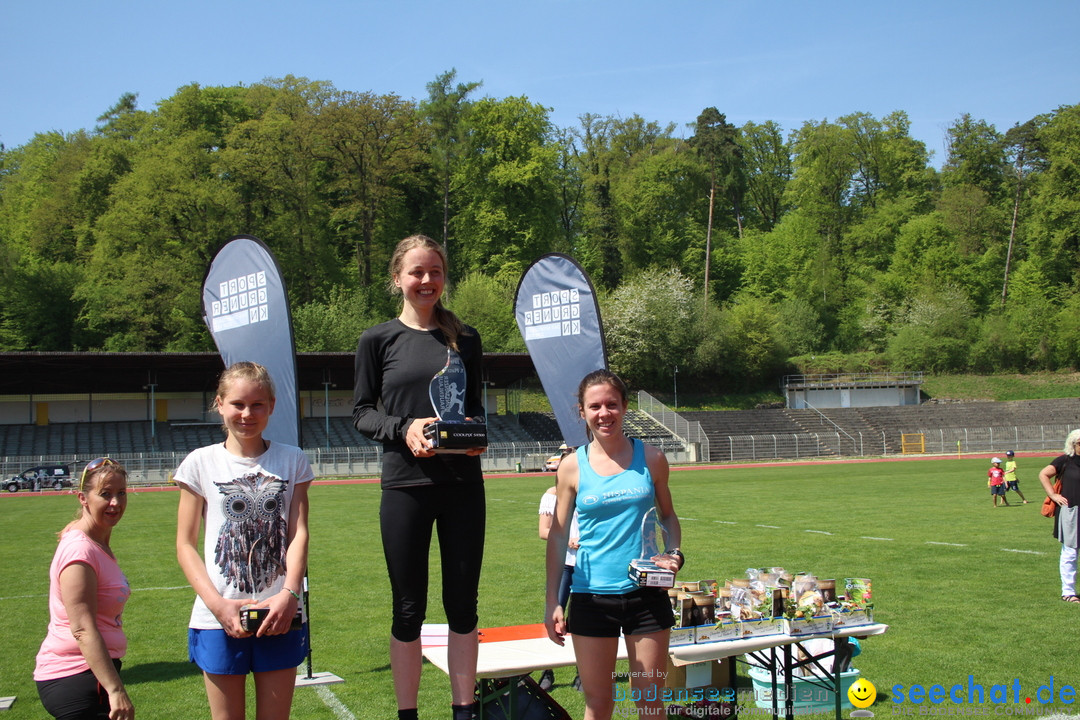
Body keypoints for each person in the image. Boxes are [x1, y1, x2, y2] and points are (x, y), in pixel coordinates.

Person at [352, 234, 486, 720]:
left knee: (463, 605)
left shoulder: (465, 339)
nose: (426, 280)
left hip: (463, 487)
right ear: (397, 279)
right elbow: (363, 413)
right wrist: (403, 427)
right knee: (408, 609)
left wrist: (474, 435)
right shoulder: (377, 340)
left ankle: (463, 710)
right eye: (416, 272)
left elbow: (473, 410)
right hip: (405, 486)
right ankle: (407, 713)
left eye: (435, 271)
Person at [175, 361, 313, 720]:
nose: (247, 414)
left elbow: (298, 532)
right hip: (217, 616)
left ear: (271, 405)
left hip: (279, 613)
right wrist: (217, 605)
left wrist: (290, 594)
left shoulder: (292, 459)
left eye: (257, 405)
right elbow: (185, 544)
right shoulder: (200, 463)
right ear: (219, 404)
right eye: (237, 404)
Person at [545, 369, 683, 720]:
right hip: (591, 596)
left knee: (650, 701)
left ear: (624, 407)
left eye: (612, 404)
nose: (603, 413)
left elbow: (668, 516)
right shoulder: (571, 466)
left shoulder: (652, 459)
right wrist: (552, 602)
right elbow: (559, 535)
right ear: (582, 412)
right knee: (599, 703)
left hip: (646, 595)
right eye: (595, 406)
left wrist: (674, 553)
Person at [35, 457, 135, 720]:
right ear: (83, 498)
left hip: (89, 674)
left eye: (121, 493)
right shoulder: (80, 551)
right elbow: (81, 628)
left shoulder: (93, 542)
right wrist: (115, 690)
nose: (115, 502)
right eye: (105, 494)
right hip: (76, 676)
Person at [537, 485, 580, 692]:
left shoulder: (592, 489)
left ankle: (582, 673)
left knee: (584, 620)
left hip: (588, 565)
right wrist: (570, 541)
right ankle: (547, 671)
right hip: (564, 564)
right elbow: (544, 530)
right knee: (555, 618)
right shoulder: (551, 495)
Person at [1039, 429, 1080, 603]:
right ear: (1073, 444)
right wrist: (1054, 495)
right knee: (1070, 552)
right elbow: (1044, 474)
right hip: (1071, 511)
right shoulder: (1064, 461)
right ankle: (1068, 592)